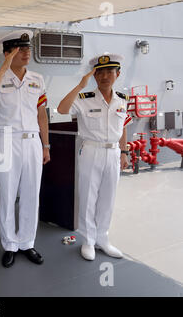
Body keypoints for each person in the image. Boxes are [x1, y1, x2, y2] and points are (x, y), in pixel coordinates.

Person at [0, 30, 50, 268]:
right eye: (21, 49)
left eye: (27, 48)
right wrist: (4, 67)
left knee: (32, 194)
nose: (27, 52)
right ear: (8, 53)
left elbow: (42, 114)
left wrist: (46, 145)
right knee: (8, 195)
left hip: (32, 141)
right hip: (6, 141)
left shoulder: (38, 79)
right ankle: (10, 244)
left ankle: (27, 242)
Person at [57, 53, 132, 261]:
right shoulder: (84, 99)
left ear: (118, 74)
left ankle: (103, 239)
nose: (105, 76)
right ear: (95, 76)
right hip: (91, 150)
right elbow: (62, 109)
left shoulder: (122, 100)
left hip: (114, 152)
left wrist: (124, 152)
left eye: (110, 71)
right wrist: (80, 85)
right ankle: (88, 240)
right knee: (88, 197)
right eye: (100, 72)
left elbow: (123, 126)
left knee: (108, 198)